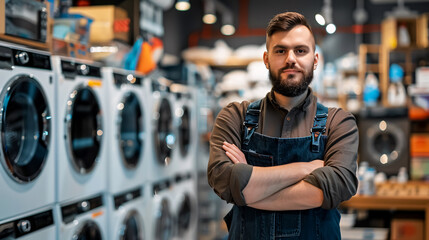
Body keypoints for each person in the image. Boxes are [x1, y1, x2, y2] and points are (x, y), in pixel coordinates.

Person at [207, 12, 358, 239]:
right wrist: (306, 169)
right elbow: (223, 180)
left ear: (314, 60)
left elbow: (336, 185)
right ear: (266, 59)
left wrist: (249, 189)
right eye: (280, 50)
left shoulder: (339, 123)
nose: (290, 58)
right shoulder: (235, 117)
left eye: (300, 50)